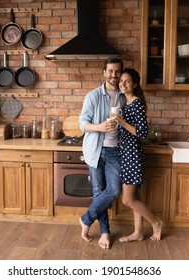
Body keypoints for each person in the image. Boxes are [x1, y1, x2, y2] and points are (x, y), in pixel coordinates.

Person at [78, 56, 126, 249]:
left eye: (117, 71)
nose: (114, 75)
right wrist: (100, 126)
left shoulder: (124, 96)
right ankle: (105, 232)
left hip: (115, 150)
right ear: (104, 72)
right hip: (95, 151)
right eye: (110, 71)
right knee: (99, 192)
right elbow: (82, 124)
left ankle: (85, 218)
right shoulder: (93, 96)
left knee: (113, 190)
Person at [111, 68, 163, 242]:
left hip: (133, 153)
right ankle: (138, 232)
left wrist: (120, 121)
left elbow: (142, 133)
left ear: (134, 84)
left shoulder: (137, 103)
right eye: (121, 81)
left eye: (127, 81)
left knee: (126, 199)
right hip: (125, 152)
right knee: (134, 197)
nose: (123, 84)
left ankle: (156, 223)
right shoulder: (125, 103)